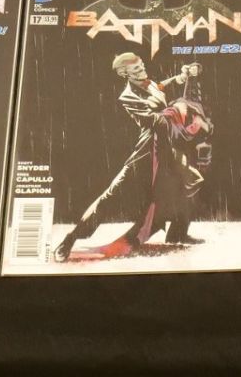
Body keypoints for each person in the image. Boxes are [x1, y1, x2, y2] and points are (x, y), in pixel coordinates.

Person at [52, 54, 209, 261]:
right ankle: (71, 238)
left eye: (142, 66)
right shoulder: (127, 97)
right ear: (124, 74)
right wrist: (179, 112)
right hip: (147, 150)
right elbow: (155, 121)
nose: (142, 71)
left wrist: (184, 75)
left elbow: (160, 86)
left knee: (188, 182)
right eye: (136, 70)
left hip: (167, 148)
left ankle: (177, 233)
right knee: (112, 196)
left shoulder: (148, 83)